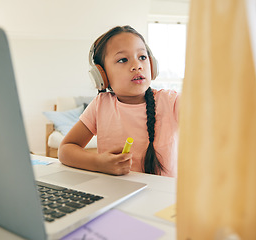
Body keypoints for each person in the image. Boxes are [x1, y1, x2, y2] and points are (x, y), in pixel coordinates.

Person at [58, 25, 180, 177]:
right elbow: (65, 149)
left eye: (142, 57)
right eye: (123, 60)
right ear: (102, 75)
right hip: (116, 194)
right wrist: (98, 162)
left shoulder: (171, 101)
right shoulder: (100, 105)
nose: (137, 66)